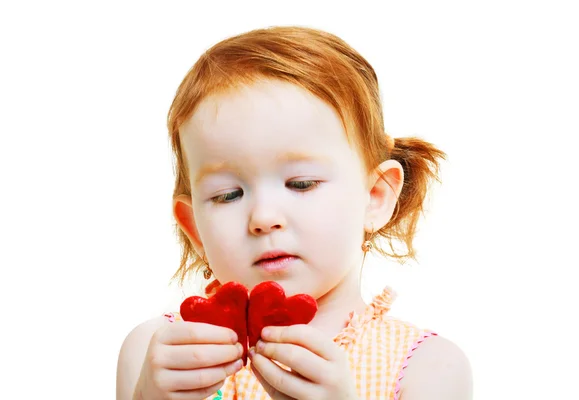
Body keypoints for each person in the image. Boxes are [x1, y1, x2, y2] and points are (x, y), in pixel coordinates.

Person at [116, 25, 473, 400]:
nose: (263, 217)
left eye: (300, 184)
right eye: (227, 195)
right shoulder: (156, 355)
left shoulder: (427, 367)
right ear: (194, 228)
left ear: (375, 196)